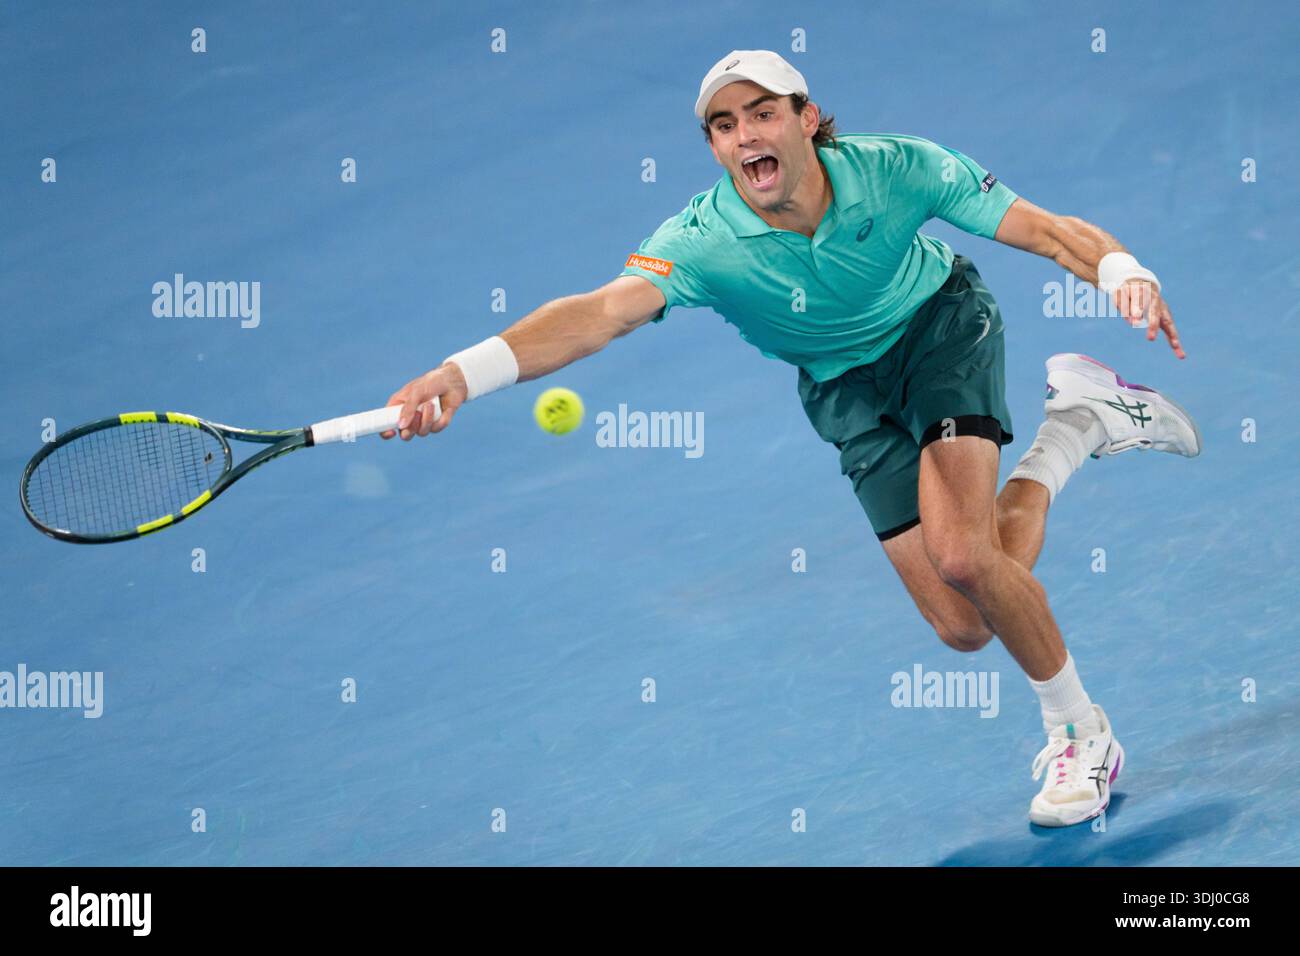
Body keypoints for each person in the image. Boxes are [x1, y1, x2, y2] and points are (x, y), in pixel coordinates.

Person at [382, 50, 1201, 827]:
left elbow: (1043, 229)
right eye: (724, 125)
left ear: (808, 119)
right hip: (843, 388)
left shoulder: (900, 167)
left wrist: (1123, 272)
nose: (746, 136)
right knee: (966, 621)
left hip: (940, 332)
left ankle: (1080, 734)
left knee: (962, 553)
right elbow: (599, 313)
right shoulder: (701, 241)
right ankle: (1077, 425)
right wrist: (463, 372)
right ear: (714, 146)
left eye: (762, 113)